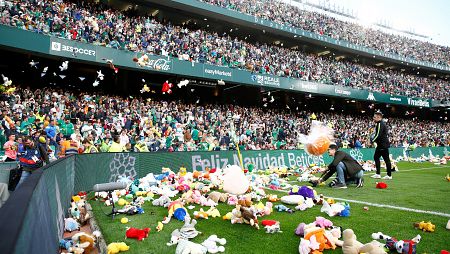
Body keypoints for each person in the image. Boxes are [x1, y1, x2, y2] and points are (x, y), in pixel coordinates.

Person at [370, 111, 392, 180]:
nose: (373, 118)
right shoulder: (381, 124)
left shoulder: (380, 124)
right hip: (383, 144)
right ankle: (381, 174)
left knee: (382, 159)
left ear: (379, 117)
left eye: (375, 117)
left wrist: (372, 140)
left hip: (382, 145)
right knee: (378, 158)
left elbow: (378, 135)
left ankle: (386, 175)